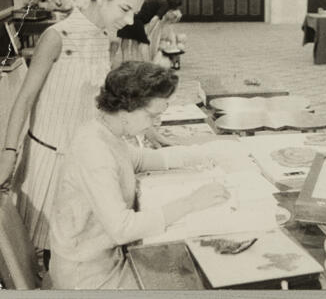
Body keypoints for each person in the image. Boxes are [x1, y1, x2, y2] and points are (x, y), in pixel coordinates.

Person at [0, 0, 151, 260]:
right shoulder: (57, 36)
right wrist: (7, 158)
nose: (130, 20)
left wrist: (146, 128)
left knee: (76, 247)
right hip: (48, 161)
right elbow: (23, 98)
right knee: (55, 248)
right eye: (125, 9)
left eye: (135, 12)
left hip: (82, 160)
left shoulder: (106, 39)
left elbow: (102, 102)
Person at [49, 61, 229, 289]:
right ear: (126, 112)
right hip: (88, 277)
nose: (157, 123)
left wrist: (204, 153)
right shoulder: (94, 151)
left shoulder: (105, 131)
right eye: (152, 116)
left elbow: (141, 160)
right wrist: (191, 202)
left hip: (104, 257)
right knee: (197, 277)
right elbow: (123, 228)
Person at [114, 0, 185, 69]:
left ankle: (126, 65)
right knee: (137, 45)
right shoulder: (165, 6)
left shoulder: (159, 0)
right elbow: (154, 20)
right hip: (137, 22)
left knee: (125, 43)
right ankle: (135, 65)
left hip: (128, 17)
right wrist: (147, 33)